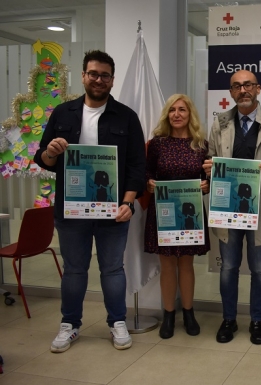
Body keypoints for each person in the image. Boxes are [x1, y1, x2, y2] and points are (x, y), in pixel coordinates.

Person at [34, 50, 145, 352]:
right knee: (74, 270)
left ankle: (117, 322)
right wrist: (52, 153)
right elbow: (43, 159)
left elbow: (137, 166)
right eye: (93, 73)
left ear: (112, 80)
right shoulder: (62, 113)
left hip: (113, 211)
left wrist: (128, 202)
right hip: (71, 211)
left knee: (112, 269)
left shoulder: (126, 116)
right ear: (83, 76)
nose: (98, 79)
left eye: (105, 75)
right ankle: (70, 325)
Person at [203, 70, 261, 345]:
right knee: (228, 268)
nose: (243, 90)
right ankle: (228, 319)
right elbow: (210, 158)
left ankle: (257, 321)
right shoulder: (220, 123)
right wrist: (208, 168)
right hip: (228, 209)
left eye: (248, 85)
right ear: (230, 92)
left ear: (258, 89)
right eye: (237, 86)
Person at [144, 94, 210, 339]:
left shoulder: (201, 144)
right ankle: (169, 315)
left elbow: (211, 175)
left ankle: (189, 312)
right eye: (172, 110)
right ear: (167, 115)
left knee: (186, 264)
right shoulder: (157, 143)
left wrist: (207, 185)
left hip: (191, 213)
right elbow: (147, 171)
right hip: (164, 212)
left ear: (190, 113)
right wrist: (149, 183)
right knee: (168, 265)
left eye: (182, 109)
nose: (177, 114)